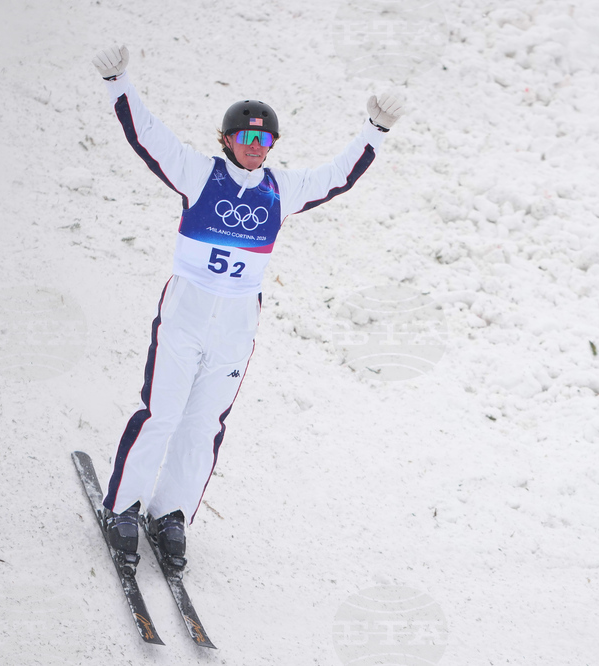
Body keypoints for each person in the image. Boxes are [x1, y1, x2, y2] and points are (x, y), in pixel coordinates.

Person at [90, 45, 404, 567]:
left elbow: (337, 175)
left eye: (265, 139)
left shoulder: (282, 189)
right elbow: (149, 138)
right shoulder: (199, 174)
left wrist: (375, 130)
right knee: (161, 413)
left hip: (236, 325)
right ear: (227, 139)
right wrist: (118, 83)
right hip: (186, 315)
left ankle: (171, 515)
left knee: (204, 423)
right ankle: (122, 507)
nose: (256, 146)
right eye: (246, 137)